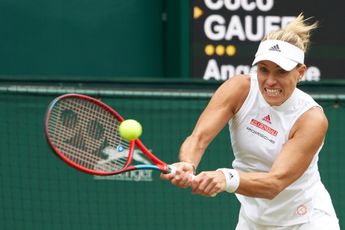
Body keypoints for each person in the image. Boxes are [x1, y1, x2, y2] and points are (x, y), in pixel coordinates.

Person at [161, 14, 340, 229]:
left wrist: (225, 178)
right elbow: (198, 138)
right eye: (263, 69)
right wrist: (187, 164)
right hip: (253, 221)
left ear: (300, 72)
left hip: (306, 221)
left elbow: (275, 183)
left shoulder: (311, 118)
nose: (270, 81)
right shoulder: (239, 89)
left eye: (281, 72)